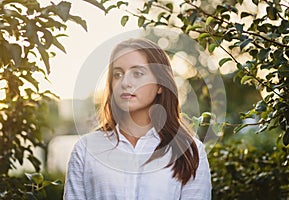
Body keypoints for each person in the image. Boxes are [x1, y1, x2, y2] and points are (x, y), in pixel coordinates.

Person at [64, 38, 212, 200]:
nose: (125, 82)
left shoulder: (189, 151)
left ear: (161, 84)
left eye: (137, 73)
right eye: (118, 74)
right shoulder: (86, 150)